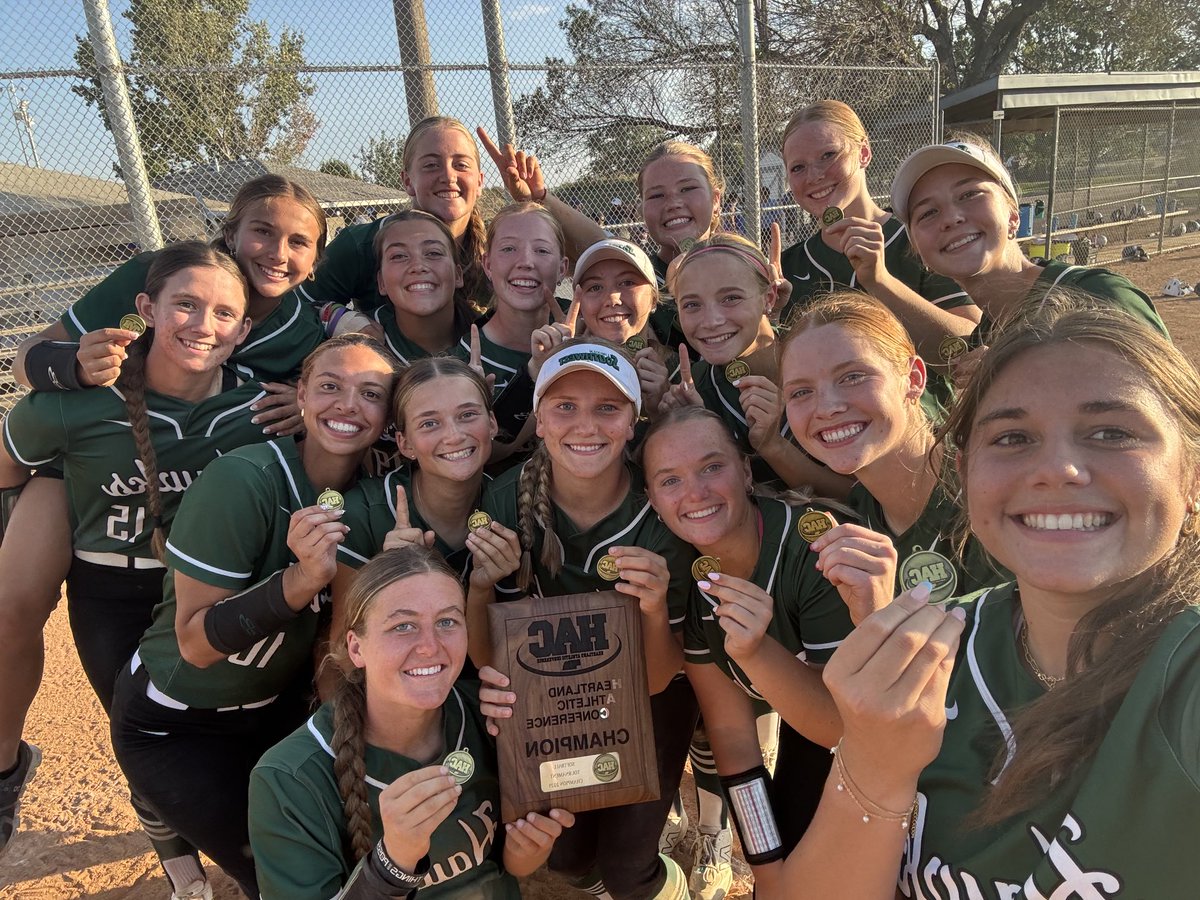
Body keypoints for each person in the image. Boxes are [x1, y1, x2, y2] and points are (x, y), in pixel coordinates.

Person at [764, 298, 1200, 899]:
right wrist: (876, 763)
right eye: (1014, 437)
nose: (1058, 469)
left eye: (1111, 432)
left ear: (1192, 473)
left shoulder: (1184, 673)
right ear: (968, 473)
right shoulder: (957, 634)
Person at [0, 175, 329, 863]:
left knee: (230, 703)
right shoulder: (156, 278)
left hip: (207, 552)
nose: (277, 250)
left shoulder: (304, 325)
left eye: (299, 240)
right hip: (103, 489)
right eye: (262, 232)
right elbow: (32, 362)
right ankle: (8, 767)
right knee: (22, 615)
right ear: (230, 233)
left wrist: (312, 403)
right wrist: (69, 367)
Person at [0, 242, 264, 897]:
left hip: (210, 590)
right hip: (112, 590)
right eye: (185, 305)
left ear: (245, 330)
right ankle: (183, 876)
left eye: (223, 312)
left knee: (233, 721)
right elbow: (8, 460)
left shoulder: (261, 409)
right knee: (139, 732)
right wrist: (53, 495)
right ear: (146, 308)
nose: (203, 323)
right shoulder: (79, 404)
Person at [109, 334, 400, 897]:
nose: (347, 404)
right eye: (330, 386)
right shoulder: (245, 479)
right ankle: (162, 805)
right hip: (178, 721)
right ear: (301, 396)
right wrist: (299, 581)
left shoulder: (373, 494)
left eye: (370, 393)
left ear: (389, 416)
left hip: (274, 711)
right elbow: (194, 644)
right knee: (280, 879)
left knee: (336, 849)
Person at [475, 339, 697, 900]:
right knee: (568, 854)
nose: (585, 425)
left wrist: (650, 608)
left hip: (651, 696)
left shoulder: (661, 510)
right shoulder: (505, 502)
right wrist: (478, 586)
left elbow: (659, 675)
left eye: (608, 408)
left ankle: (671, 885)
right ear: (541, 422)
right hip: (553, 699)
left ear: (632, 424)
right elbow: (484, 654)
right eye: (564, 406)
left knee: (627, 870)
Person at [641, 407, 895, 896]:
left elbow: (841, 729)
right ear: (653, 501)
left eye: (712, 467)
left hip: (885, 752)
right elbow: (734, 740)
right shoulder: (696, 587)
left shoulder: (817, 554)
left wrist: (756, 653)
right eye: (670, 480)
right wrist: (765, 866)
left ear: (746, 471)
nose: (695, 493)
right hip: (817, 737)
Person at [249, 546, 573, 899]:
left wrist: (528, 848)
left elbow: (510, 867)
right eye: (403, 626)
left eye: (447, 621)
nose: (430, 646)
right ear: (356, 648)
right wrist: (393, 862)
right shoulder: (289, 777)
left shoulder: (489, 715)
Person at [779, 292, 1002, 603]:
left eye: (853, 376)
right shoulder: (863, 513)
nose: (826, 408)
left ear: (913, 379)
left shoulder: (991, 493)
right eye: (801, 392)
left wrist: (876, 620)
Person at [890, 135, 1168, 359]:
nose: (951, 218)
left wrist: (1013, 380)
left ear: (1013, 215)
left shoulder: (1097, 295)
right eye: (927, 213)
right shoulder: (985, 338)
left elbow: (1172, 413)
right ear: (917, 248)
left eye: (969, 194)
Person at [776, 101, 979, 373]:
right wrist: (767, 319)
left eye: (828, 155)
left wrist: (880, 282)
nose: (814, 176)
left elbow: (969, 349)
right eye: (797, 167)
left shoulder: (920, 236)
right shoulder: (789, 266)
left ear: (863, 152)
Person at [663, 233, 850, 497]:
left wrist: (773, 446)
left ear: (769, 298)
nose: (712, 320)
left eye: (731, 298)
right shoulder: (692, 391)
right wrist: (696, 430)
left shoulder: (825, 357)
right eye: (692, 304)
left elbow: (864, 498)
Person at [301, 116, 489, 314]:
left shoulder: (501, 247)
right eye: (431, 165)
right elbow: (297, 311)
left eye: (461, 165)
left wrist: (525, 201)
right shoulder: (361, 245)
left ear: (479, 181)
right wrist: (341, 320)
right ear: (408, 181)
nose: (449, 176)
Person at [470, 201, 569, 456]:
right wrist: (534, 373)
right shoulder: (464, 358)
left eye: (542, 250)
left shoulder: (588, 331)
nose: (525, 261)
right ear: (488, 265)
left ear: (562, 268)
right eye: (509, 248)